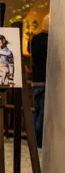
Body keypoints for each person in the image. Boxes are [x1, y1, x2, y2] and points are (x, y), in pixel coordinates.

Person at [31, 14, 49, 148]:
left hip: (35, 80)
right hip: (45, 80)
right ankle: (38, 141)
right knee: (43, 113)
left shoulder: (34, 39)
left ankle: (33, 138)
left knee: (37, 110)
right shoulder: (51, 41)